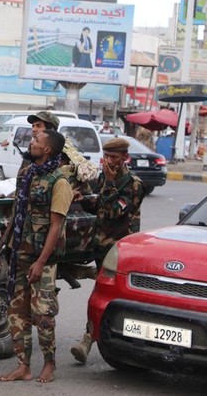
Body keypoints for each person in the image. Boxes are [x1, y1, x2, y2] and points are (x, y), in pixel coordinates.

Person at [0, 129, 72, 384]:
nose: (31, 142)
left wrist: (41, 262)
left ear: (48, 149)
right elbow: (17, 213)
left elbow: (56, 226)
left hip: (43, 259)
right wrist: (4, 248)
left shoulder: (59, 182)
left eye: (36, 140)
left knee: (42, 315)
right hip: (20, 252)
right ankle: (23, 365)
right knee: (16, 311)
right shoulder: (29, 173)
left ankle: (49, 363)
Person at [69, 137, 144, 364]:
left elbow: (114, 212)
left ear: (125, 158)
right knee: (105, 296)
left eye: (114, 157)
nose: (110, 161)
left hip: (121, 252)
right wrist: (84, 200)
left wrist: (110, 184)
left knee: (108, 297)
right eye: (107, 156)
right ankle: (98, 338)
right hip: (101, 248)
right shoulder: (105, 178)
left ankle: (90, 339)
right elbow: (101, 205)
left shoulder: (133, 184)